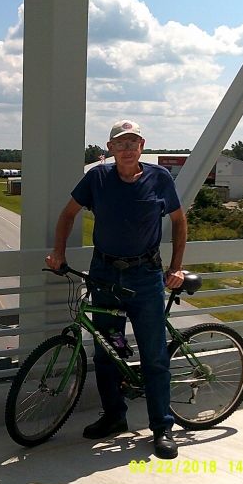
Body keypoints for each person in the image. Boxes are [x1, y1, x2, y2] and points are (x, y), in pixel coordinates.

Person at [45, 119, 187, 459]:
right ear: (110, 148)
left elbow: (179, 222)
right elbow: (67, 215)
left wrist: (176, 267)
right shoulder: (98, 178)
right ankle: (114, 417)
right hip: (104, 275)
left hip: (146, 276)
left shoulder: (160, 178)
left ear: (142, 145)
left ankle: (162, 428)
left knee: (154, 355)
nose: (127, 148)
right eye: (120, 143)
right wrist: (59, 252)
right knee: (107, 350)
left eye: (133, 142)